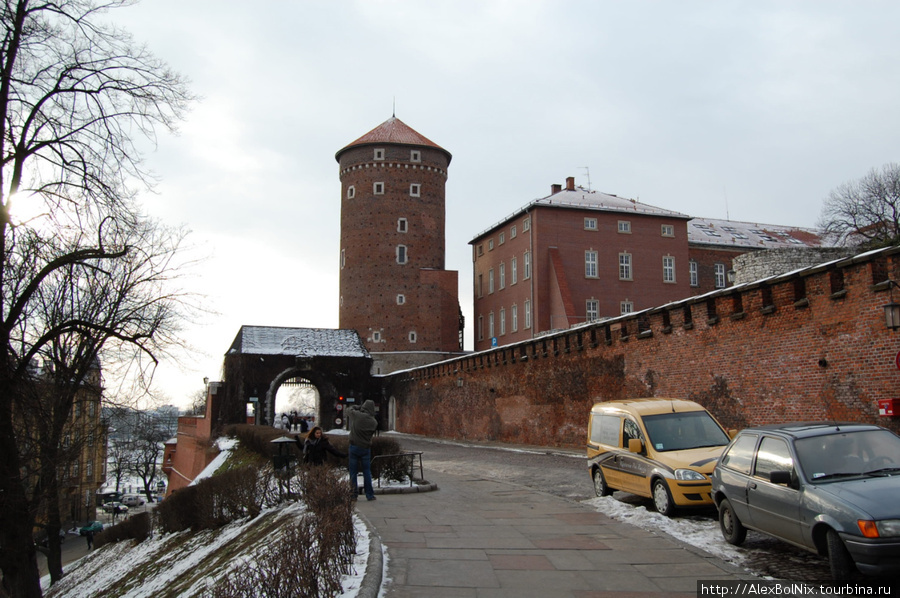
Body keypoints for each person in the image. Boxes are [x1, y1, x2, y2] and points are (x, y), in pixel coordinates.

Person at [348, 400, 378, 501]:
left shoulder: (357, 415)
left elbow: (348, 410)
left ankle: (353, 494)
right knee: (367, 472)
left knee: (353, 472)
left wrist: (357, 407)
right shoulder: (374, 422)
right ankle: (369, 494)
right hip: (365, 448)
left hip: (354, 447)